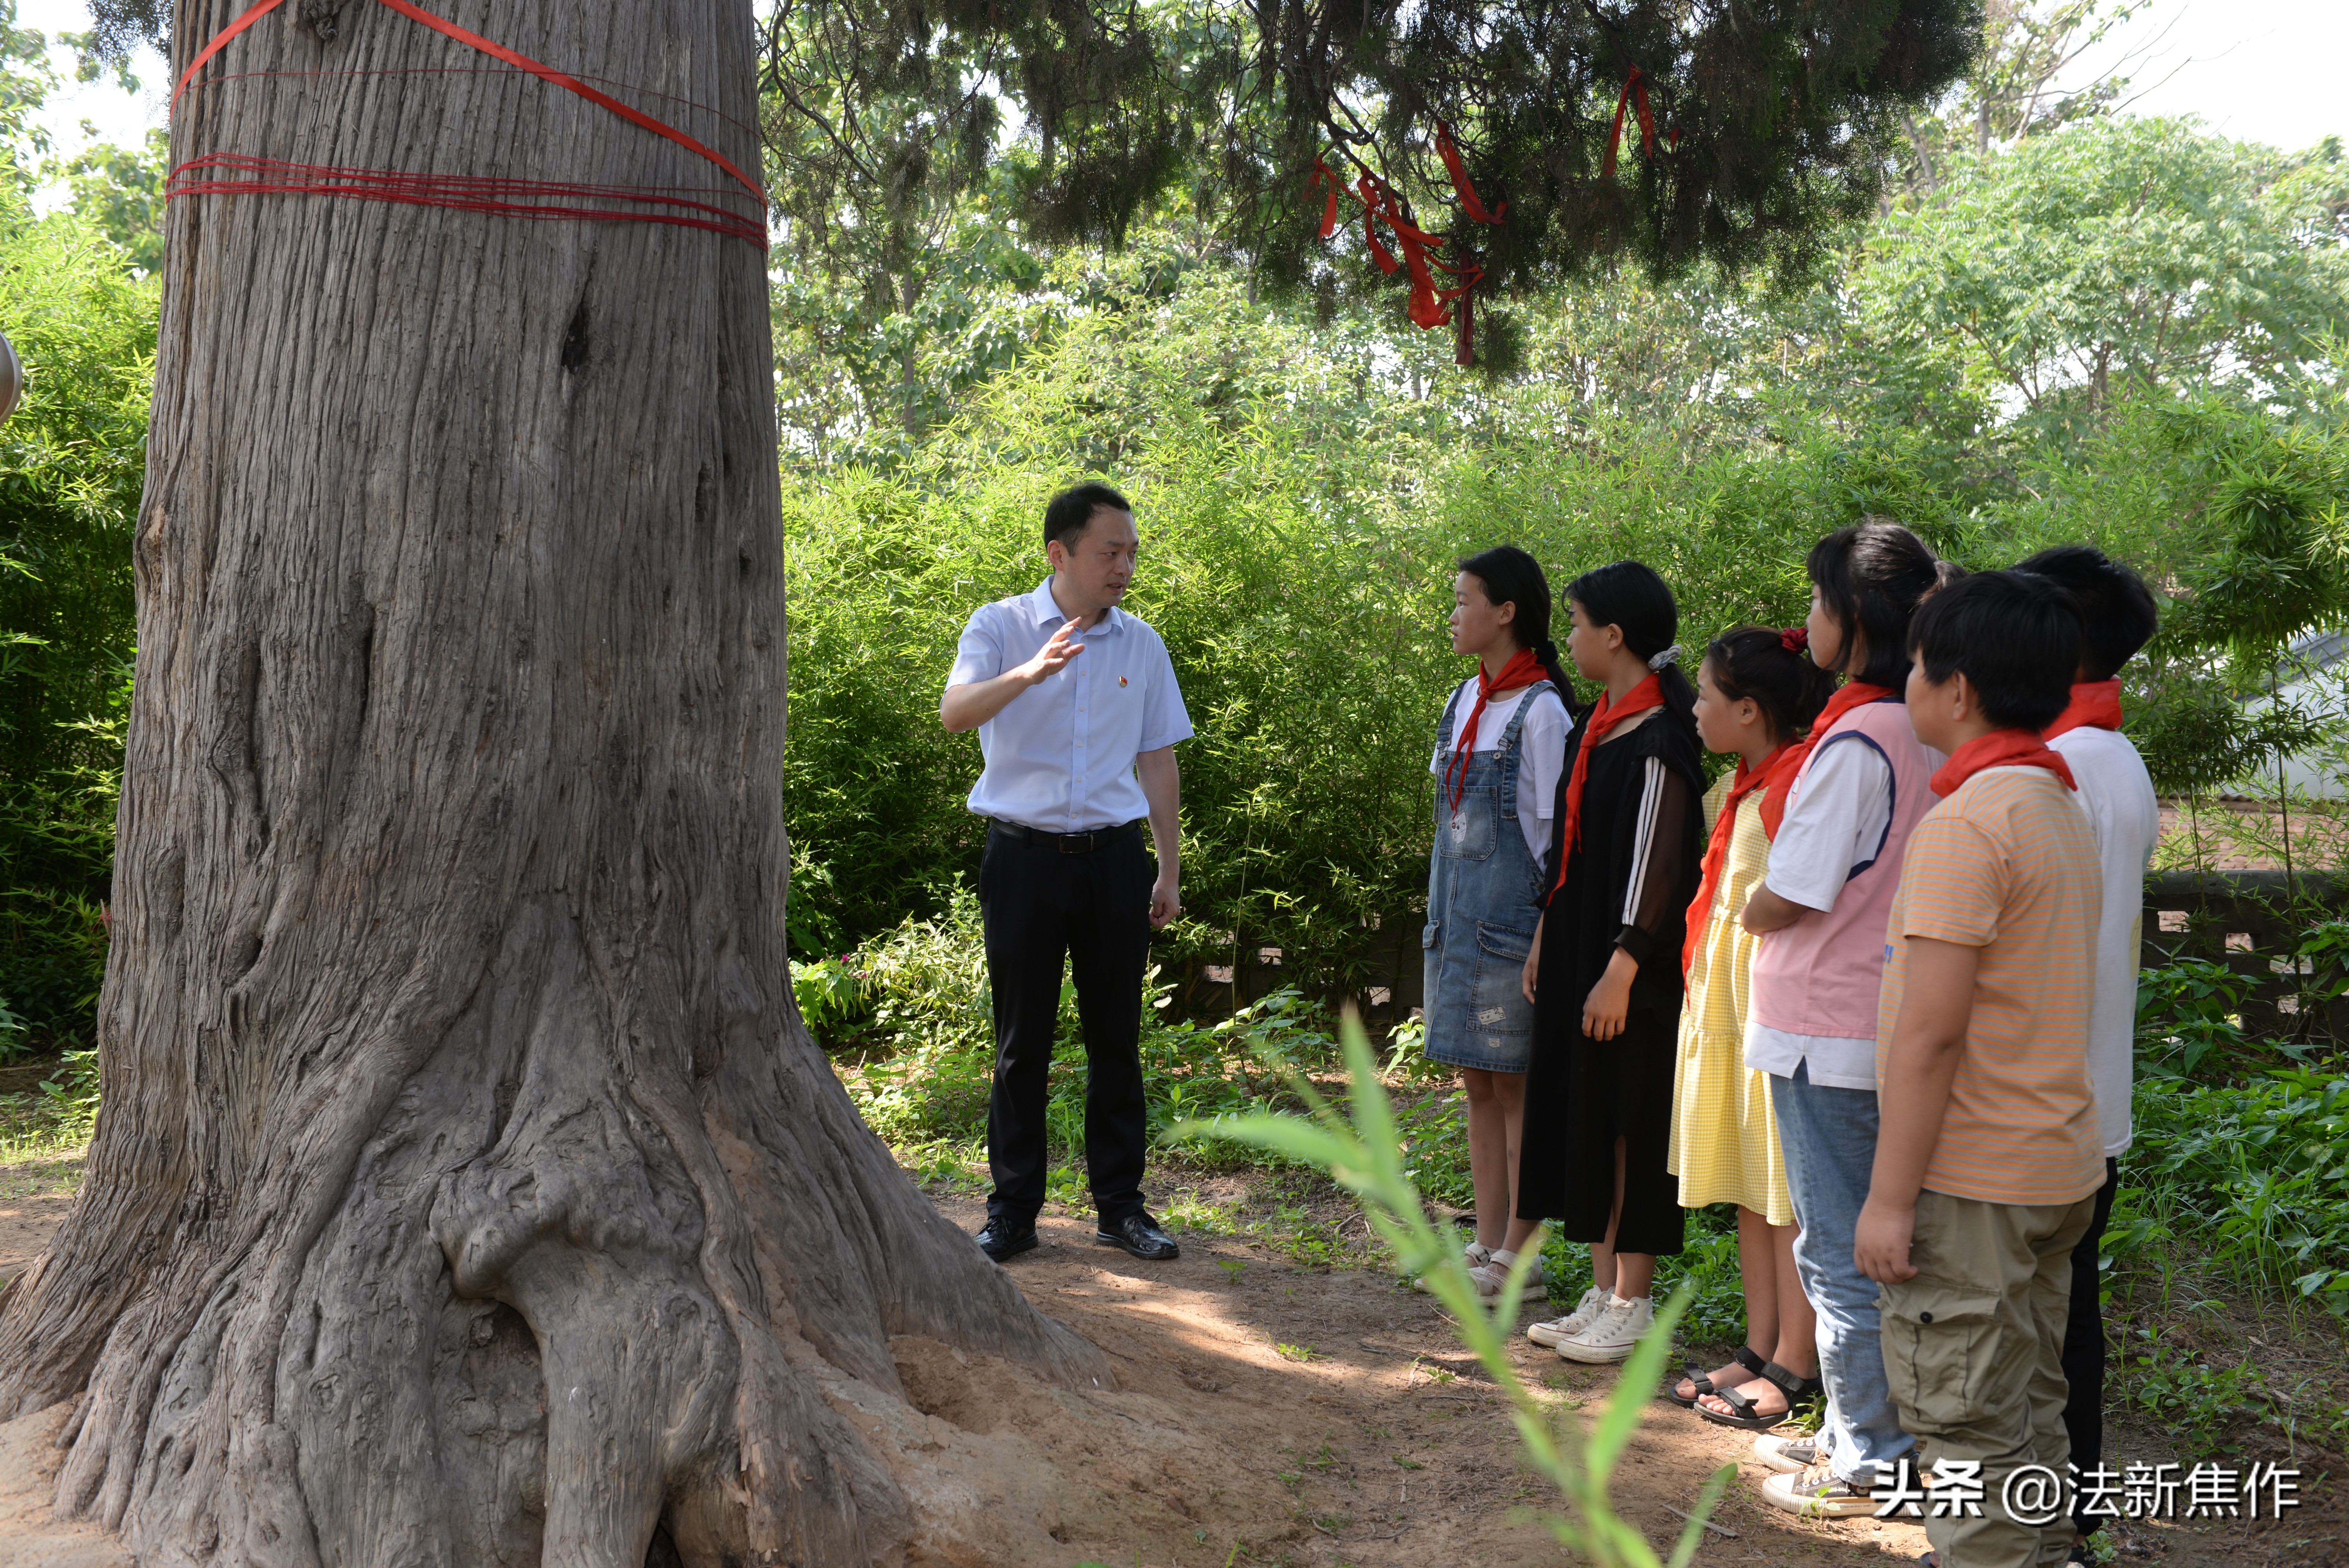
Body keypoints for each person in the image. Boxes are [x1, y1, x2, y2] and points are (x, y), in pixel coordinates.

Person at [1857, 570, 2105, 1568]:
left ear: (1955, 690)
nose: (1905, 683)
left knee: (1965, 1433)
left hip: (1972, 1181)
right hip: (2052, 1168)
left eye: (1913, 667)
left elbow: (1929, 1036)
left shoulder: (1967, 823)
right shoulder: (2053, 802)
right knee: (2028, 1412)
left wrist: (1885, 1198)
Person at [1746, 523, 1954, 1514]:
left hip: (1825, 1029)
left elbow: (1794, 886)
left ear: (1856, 619)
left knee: (1838, 1252)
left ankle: (1866, 1451)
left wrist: (1751, 904)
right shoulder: (1925, 722)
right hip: (1878, 1015)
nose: (1809, 620)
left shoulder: (1857, 734)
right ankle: (1851, 1432)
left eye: (1819, 602)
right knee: (1859, 1247)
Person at [940, 482, 1192, 1264]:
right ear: (1060, 553)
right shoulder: (1000, 626)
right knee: (1021, 1044)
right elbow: (955, 712)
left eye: (1130, 554)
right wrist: (1030, 672)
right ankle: (1012, 1211)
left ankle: (1121, 1208)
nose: (1123, 567)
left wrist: (1168, 870)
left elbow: (1156, 758)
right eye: (1108, 552)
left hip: (1113, 860)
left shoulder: (1141, 644)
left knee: (1116, 1039)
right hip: (1021, 857)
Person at [1516, 560, 1705, 1364]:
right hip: (1580, 949)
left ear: (1615, 635)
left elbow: (1658, 863)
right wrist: (1543, 938)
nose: (1568, 637)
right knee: (1587, 1115)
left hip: (1627, 968)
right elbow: (1571, 850)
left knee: (1629, 1122)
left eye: (1576, 623)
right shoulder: (1600, 722)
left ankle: (1633, 1296)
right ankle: (1601, 1290)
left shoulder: (1660, 735)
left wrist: (1623, 963)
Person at [2017, 545, 2162, 1565]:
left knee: (2042, 1329)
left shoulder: (2070, 767)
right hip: (2083, 1093)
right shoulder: (2106, 755)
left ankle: (2055, 1524)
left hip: (2047, 1098)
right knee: (2063, 1318)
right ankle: (2067, 1518)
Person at [1666, 627, 1830, 1431]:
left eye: (1703, 695)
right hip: (1727, 998)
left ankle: (1796, 1362)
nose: (1693, 708)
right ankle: (1761, 1345)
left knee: (1781, 1185)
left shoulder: (1797, 777)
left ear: (1748, 708)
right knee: (1745, 1177)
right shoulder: (1743, 779)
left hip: (1771, 998)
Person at [1420, 548, 1573, 1302]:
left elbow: (1553, 840)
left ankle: (1525, 1256)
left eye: (1463, 600)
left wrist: (1548, 932)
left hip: (1511, 933)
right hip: (1456, 926)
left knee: (1516, 1091)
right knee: (1476, 1083)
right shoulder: (1462, 701)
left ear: (1506, 611)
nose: (1453, 614)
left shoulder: (1543, 709)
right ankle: (1486, 1244)